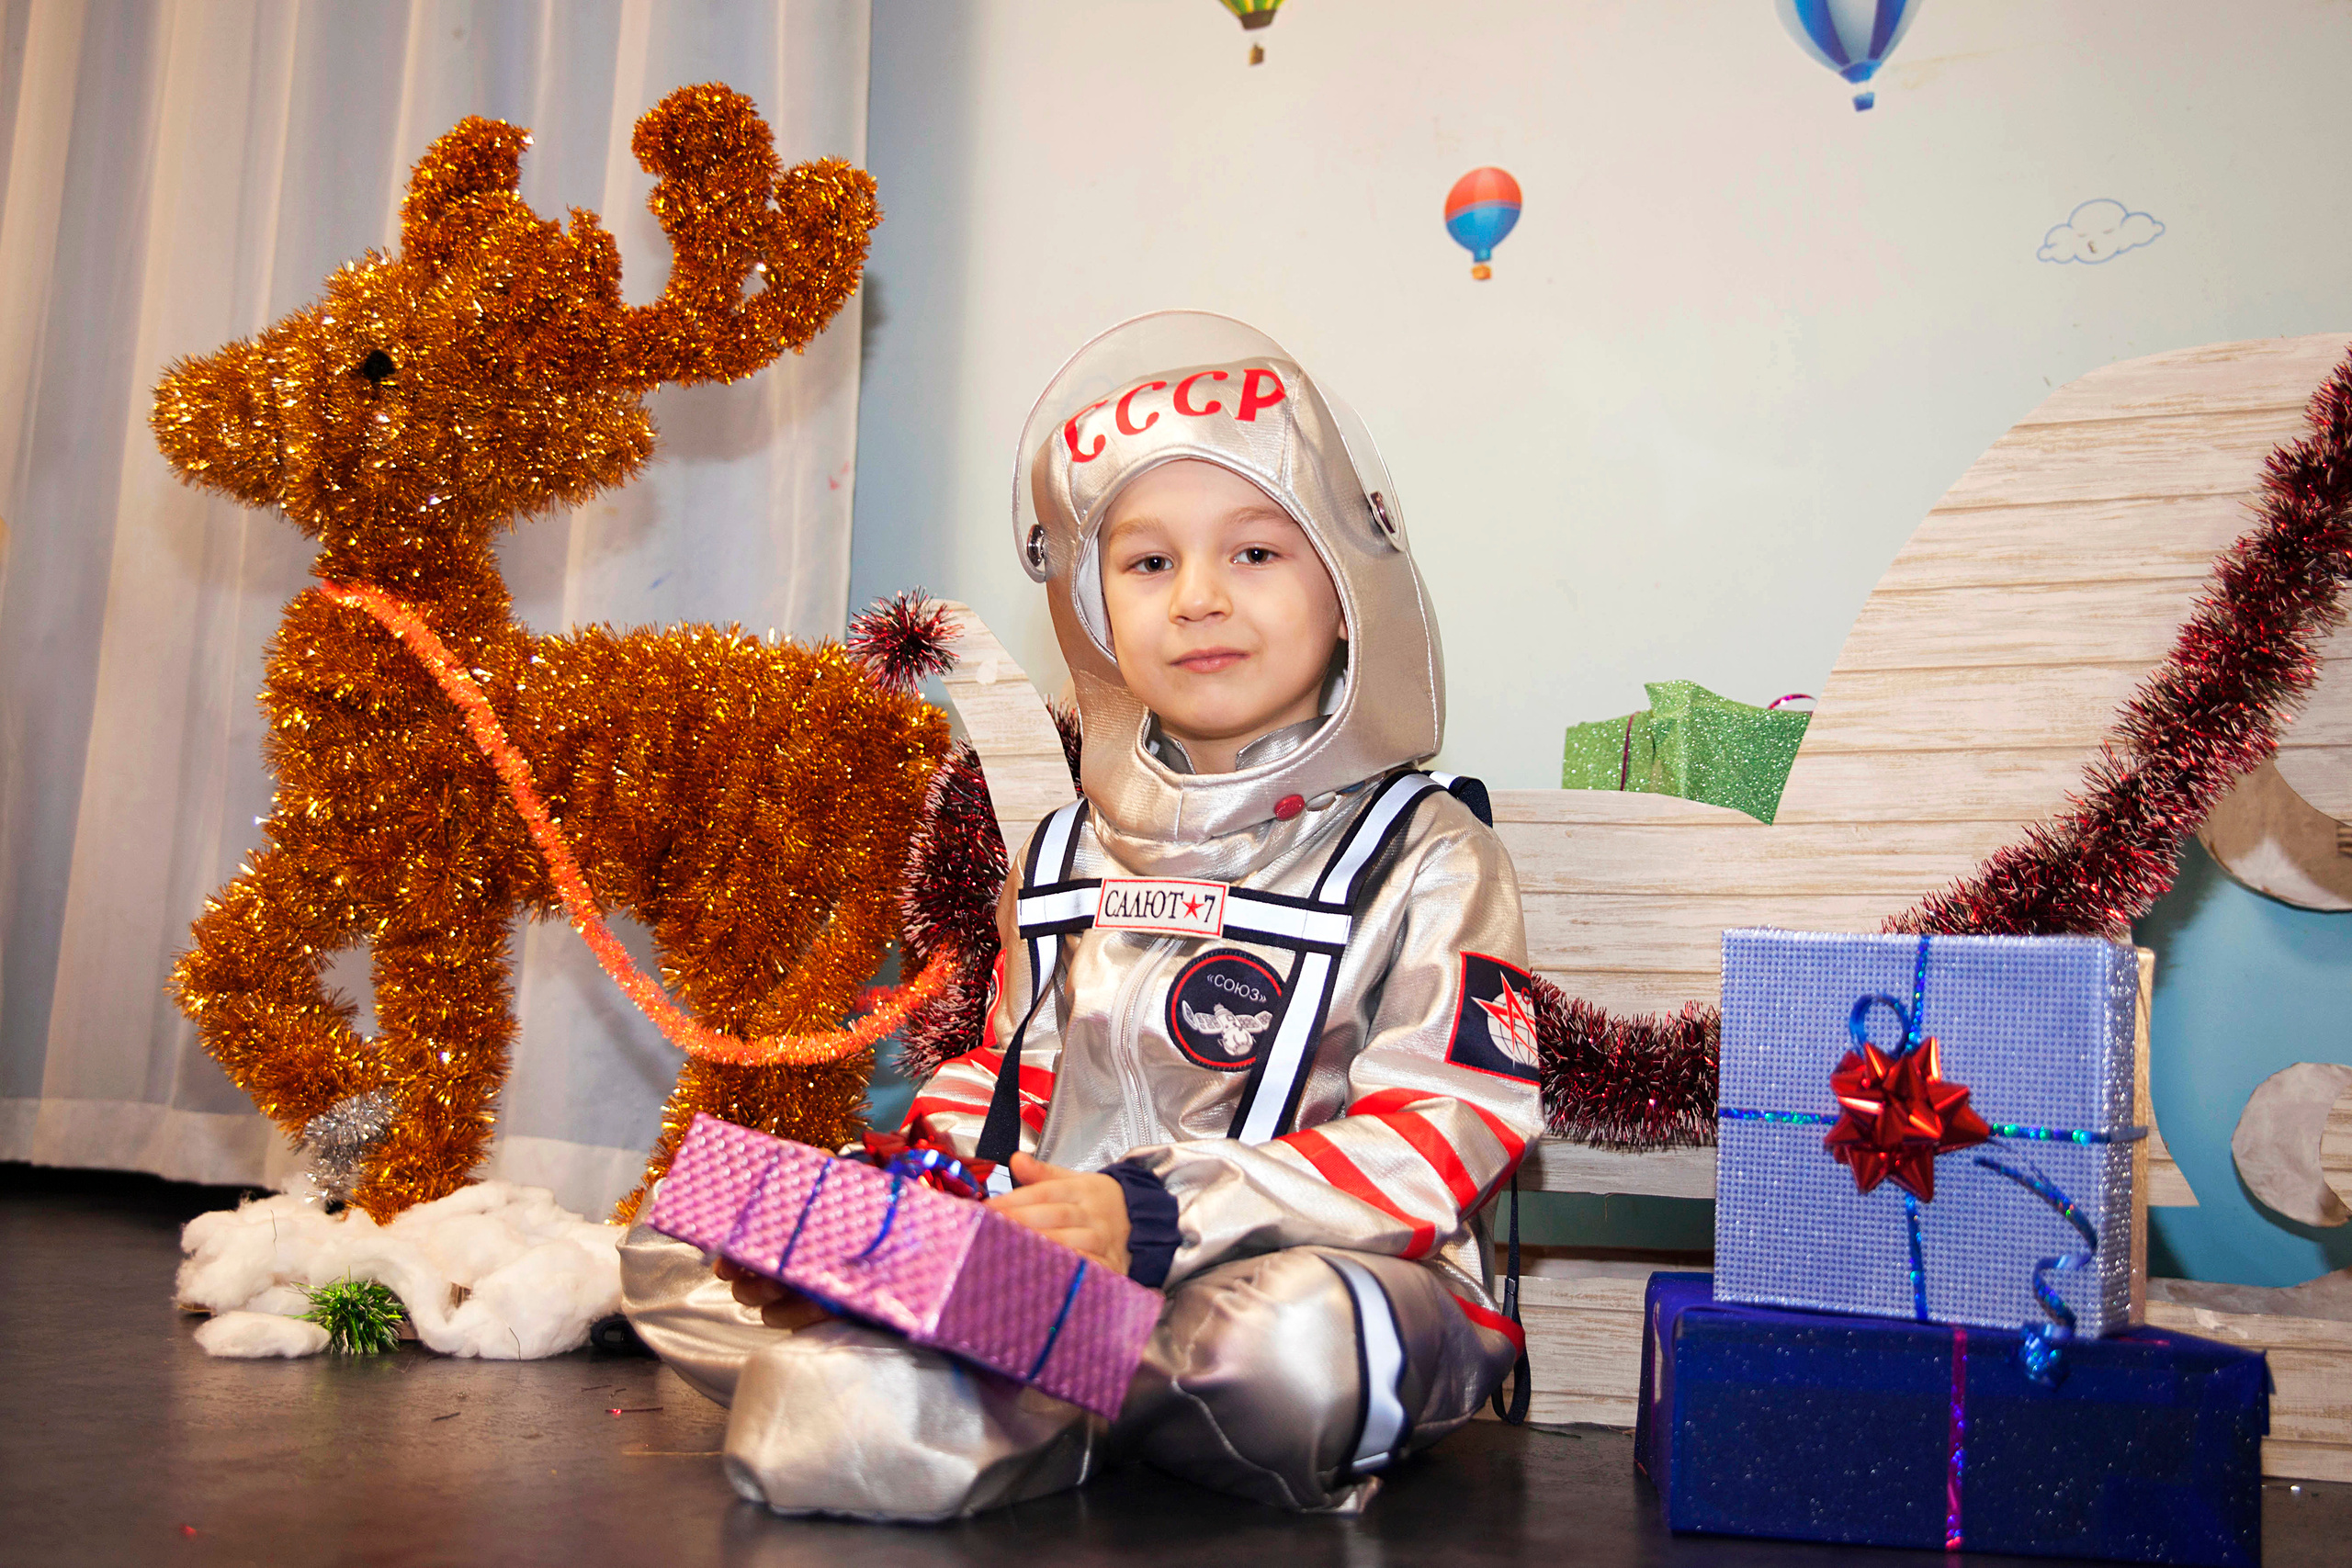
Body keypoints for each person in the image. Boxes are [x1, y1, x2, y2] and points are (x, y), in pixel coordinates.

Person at [619, 310, 1541, 1519]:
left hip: (1284, 1283)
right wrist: (903, 1198)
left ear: (1349, 587)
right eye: (1148, 563)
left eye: (1257, 553)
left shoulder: (1428, 854)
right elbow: (1010, 1076)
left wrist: (1147, 1216)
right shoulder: (1062, 850)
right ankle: (1008, 1356)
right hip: (1050, 1265)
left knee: (1306, 1347)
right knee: (679, 1242)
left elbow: (1448, 1129)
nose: (1199, 599)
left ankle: (970, 1373)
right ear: (1097, 609)